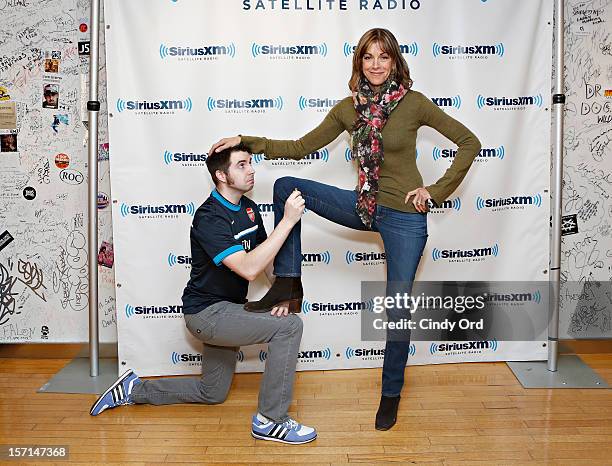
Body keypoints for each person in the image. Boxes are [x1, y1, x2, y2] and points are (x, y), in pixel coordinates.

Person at [210, 28, 481, 431]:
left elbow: (469, 142)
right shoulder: (347, 109)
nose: (375, 65)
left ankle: (390, 395)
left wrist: (435, 191)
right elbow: (302, 146)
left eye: (383, 57)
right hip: (365, 206)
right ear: (359, 63)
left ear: (395, 62)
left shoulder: (414, 104)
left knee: (397, 310)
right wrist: (247, 140)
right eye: (368, 57)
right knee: (288, 186)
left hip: (404, 216)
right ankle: (288, 283)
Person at [90, 144, 317, 445]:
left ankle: (133, 389)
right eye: (241, 165)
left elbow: (266, 265)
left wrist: (284, 293)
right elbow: (248, 269)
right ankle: (270, 420)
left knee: (212, 392)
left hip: (229, 311)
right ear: (221, 175)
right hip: (206, 315)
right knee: (290, 327)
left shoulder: (249, 209)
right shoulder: (209, 217)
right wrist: (287, 221)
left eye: (250, 163)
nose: (251, 170)